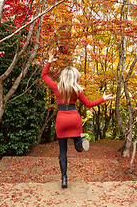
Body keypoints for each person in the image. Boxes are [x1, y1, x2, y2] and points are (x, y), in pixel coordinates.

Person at [41, 50, 114, 188]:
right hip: (74, 118)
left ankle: (64, 179)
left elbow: (43, 75)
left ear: (63, 76)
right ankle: (80, 144)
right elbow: (88, 104)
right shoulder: (77, 90)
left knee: (62, 151)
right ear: (75, 77)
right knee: (77, 140)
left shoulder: (57, 87)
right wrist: (103, 99)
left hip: (62, 119)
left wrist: (49, 61)